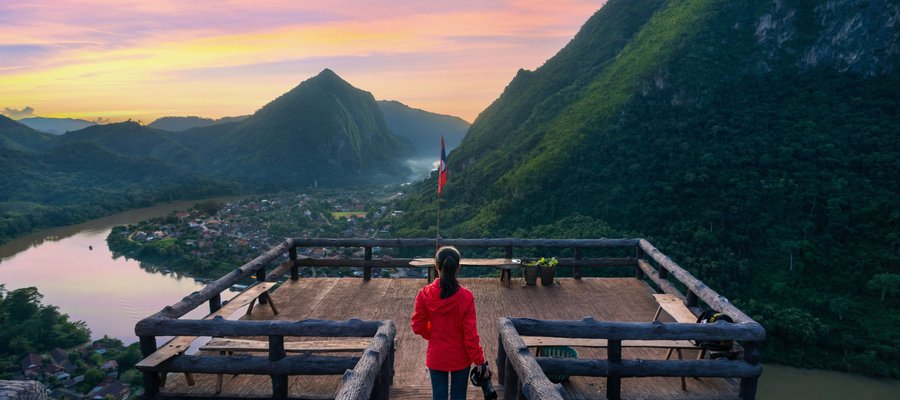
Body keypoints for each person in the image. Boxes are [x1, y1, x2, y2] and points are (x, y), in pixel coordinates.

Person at [411, 246, 492, 400]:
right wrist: (480, 361)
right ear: (458, 268)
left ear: (436, 266)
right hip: (460, 358)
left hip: (436, 356)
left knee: (439, 397)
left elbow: (417, 326)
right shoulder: (466, 297)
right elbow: (471, 336)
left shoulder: (424, 294)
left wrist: (432, 334)